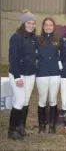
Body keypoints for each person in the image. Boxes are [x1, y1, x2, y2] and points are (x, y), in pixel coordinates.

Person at [8, 9, 38, 140]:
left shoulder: (34, 39)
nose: (31, 25)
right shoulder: (16, 38)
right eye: (28, 23)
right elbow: (12, 58)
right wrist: (17, 77)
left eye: (33, 23)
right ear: (23, 23)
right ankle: (12, 130)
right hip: (18, 74)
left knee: (25, 101)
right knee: (19, 101)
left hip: (30, 74)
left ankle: (21, 127)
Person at [36, 17, 61, 134]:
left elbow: (65, 54)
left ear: (53, 27)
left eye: (51, 25)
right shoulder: (37, 40)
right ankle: (41, 125)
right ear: (43, 26)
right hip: (42, 74)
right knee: (42, 100)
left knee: (53, 99)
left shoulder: (59, 40)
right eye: (46, 25)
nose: (48, 27)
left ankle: (52, 125)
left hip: (55, 74)